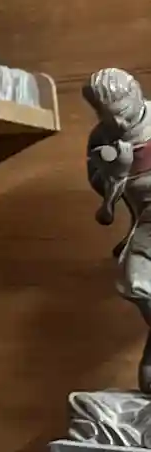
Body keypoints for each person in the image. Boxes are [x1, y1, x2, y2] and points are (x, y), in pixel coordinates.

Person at [84, 68, 151, 393]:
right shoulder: (101, 140)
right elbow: (106, 214)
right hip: (146, 225)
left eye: (123, 112)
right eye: (109, 118)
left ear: (136, 91)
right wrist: (116, 175)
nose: (121, 125)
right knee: (136, 283)